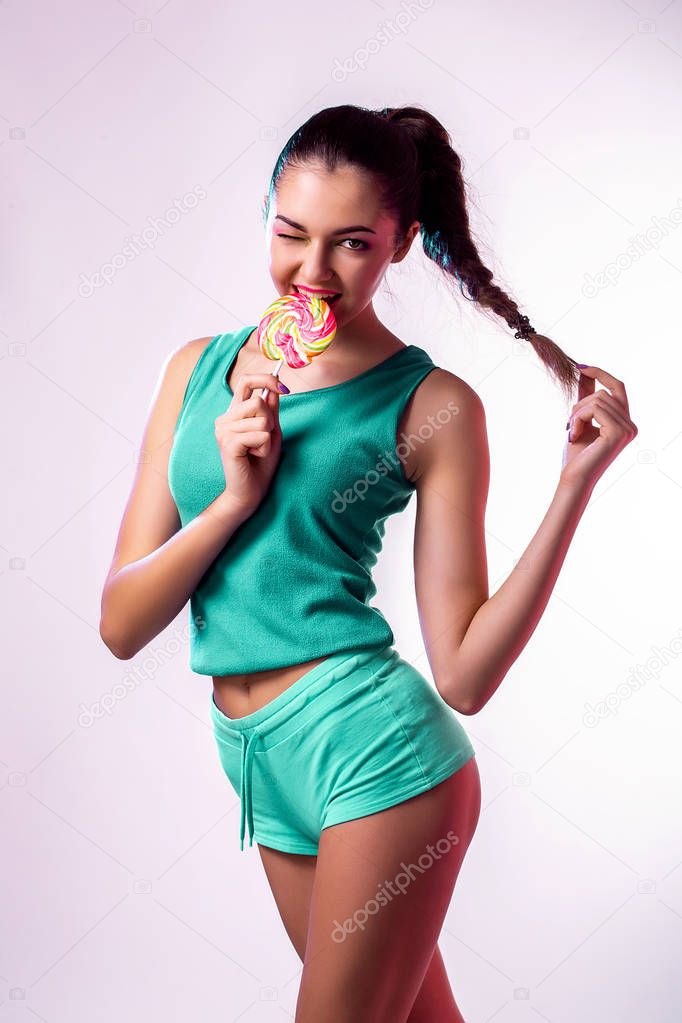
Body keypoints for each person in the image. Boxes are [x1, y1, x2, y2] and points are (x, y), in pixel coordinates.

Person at [99, 104, 637, 1022]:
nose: (312, 272)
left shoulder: (431, 404)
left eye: (351, 244)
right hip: (256, 761)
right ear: (267, 213)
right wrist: (233, 498)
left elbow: (464, 674)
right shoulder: (197, 370)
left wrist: (573, 488)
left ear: (402, 243)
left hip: (375, 754)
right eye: (289, 233)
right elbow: (121, 623)